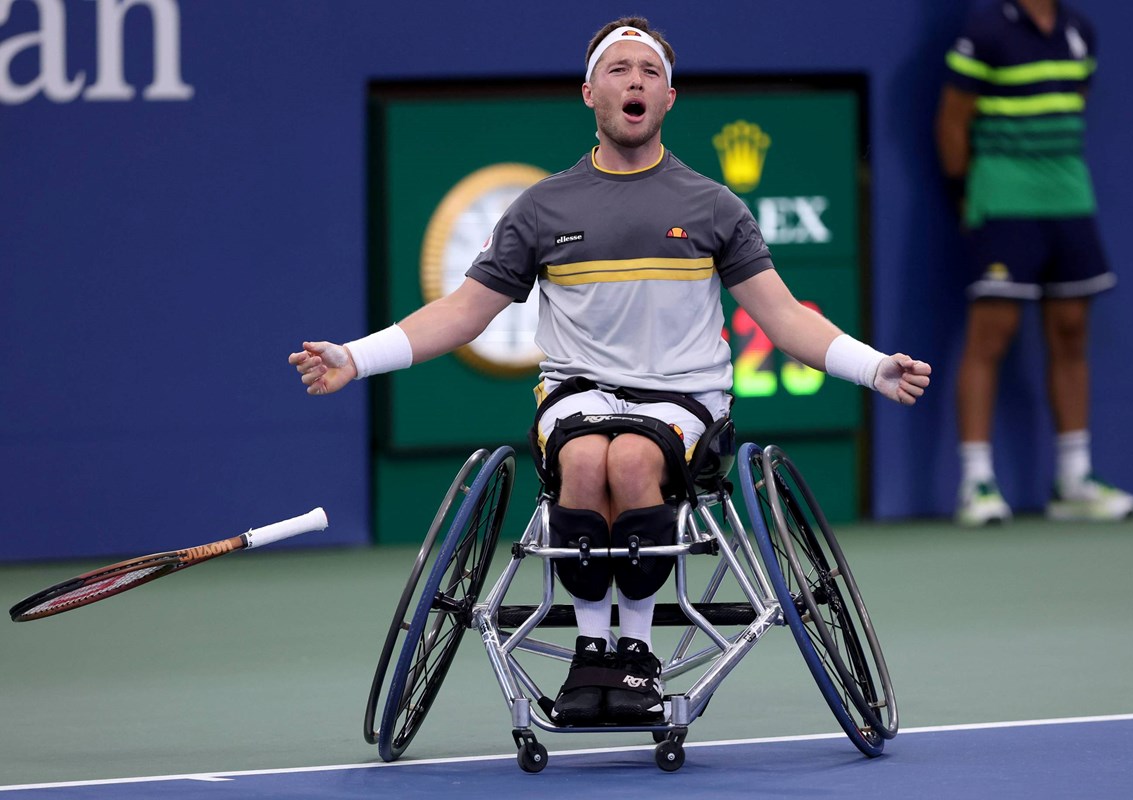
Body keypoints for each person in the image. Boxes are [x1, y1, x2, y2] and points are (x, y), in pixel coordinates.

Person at [292, 16, 931, 726]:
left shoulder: (714, 206)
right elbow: (462, 313)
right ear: (590, 93)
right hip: (577, 395)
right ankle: (593, 650)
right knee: (586, 460)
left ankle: (633, 652)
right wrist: (355, 357)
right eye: (620, 71)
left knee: (630, 459)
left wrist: (874, 368)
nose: (635, 81)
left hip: (685, 401)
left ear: (669, 98)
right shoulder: (541, 208)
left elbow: (784, 319)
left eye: (649, 72)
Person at [936, 0, 1133, 526]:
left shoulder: (1079, 31)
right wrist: (966, 197)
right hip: (1002, 200)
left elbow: (1075, 104)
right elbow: (953, 122)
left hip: (1069, 198)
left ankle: (1074, 479)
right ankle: (975, 482)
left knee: (1071, 331)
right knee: (992, 334)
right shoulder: (986, 31)